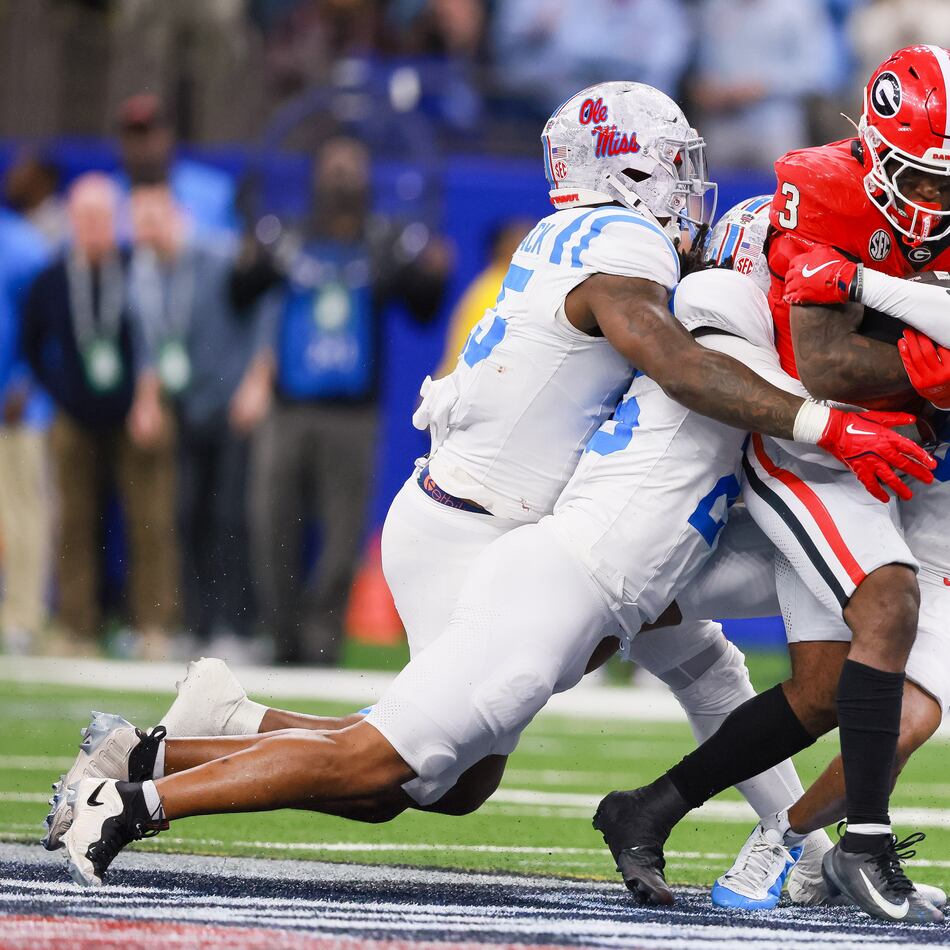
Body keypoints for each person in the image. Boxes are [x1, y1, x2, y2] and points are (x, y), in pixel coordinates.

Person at [48, 83, 932, 892]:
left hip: (505, 525)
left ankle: (177, 744)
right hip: (502, 542)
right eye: (672, 165)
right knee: (389, 761)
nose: (686, 189)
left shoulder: (599, 246)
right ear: (624, 171)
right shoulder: (657, 274)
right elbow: (684, 364)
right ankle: (136, 801)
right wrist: (825, 418)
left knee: (451, 781)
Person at [592, 46, 950, 923]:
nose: (938, 205)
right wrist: (924, 362)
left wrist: (881, 306)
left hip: (890, 449)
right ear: (872, 151)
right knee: (886, 607)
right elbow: (821, 365)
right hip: (796, 423)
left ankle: (650, 809)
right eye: (925, 182)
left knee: (838, 689)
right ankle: (861, 844)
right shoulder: (823, 188)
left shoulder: (905, 225)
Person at [232, 135, 450, 665]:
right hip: (288, 409)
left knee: (342, 532)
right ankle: (280, 635)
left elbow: (421, 309)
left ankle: (321, 639)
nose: (342, 176)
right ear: (314, 176)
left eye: (352, 166)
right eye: (332, 166)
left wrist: (435, 277)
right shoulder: (288, 238)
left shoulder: (382, 244)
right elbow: (240, 295)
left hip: (353, 415)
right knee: (271, 522)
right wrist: (247, 260)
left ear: (368, 177)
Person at [22, 174, 179, 658]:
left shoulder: (138, 270)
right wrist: (59, 394)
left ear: (117, 222)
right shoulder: (52, 279)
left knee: (150, 519)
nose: (94, 226)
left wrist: (149, 399)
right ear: (71, 219)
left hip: (135, 413)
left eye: (103, 217)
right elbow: (31, 344)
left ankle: (153, 626)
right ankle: (77, 627)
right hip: (75, 416)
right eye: (85, 217)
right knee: (74, 521)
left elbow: (161, 337)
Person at [128, 184, 259, 652]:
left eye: (154, 220)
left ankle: (238, 627)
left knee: (231, 515)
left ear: (177, 216)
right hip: (186, 406)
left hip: (230, 403)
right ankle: (198, 624)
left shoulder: (216, 255)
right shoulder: (143, 276)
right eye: (139, 222)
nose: (146, 232)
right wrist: (147, 400)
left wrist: (257, 379)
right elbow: (150, 344)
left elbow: (263, 304)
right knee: (187, 513)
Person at [0, 200, 53, 653]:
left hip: (12, 408)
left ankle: (21, 616)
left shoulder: (20, 243)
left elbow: (45, 323)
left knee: (20, 512)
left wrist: (26, 381)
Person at [113, 93, 238, 238]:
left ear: (168, 136)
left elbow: (238, 251)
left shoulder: (215, 193)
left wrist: (185, 239)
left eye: (148, 134)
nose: (140, 146)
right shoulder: (102, 198)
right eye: (132, 136)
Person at [432, 219, 531, 379]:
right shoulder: (498, 290)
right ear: (504, 248)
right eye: (525, 240)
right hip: (463, 393)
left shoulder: (493, 285)